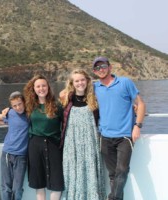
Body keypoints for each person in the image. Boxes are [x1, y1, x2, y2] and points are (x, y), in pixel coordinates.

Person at [92, 57, 146, 200]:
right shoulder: (95, 87)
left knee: (122, 170)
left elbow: (140, 104)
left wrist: (137, 126)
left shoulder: (125, 82)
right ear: (94, 72)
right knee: (113, 174)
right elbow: (67, 93)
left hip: (124, 136)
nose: (101, 70)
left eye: (103, 66)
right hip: (105, 136)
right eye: (97, 68)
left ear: (110, 67)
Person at [59, 69, 106, 200]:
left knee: (90, 169)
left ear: (87, 81)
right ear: (72, 83)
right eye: (77, 81)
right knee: (74, 171)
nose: (80, 83)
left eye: (82, 80)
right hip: (72, 141)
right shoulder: (66, 97)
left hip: (90, 141)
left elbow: (110, 108)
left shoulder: (94, 98)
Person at [23, 75, 64, 200]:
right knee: (39, 183)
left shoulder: (57, 105)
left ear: (48, 87)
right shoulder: (29, 106)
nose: (41, 88)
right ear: (34, 89)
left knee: (57, 182)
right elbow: (15, 109)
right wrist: (5, 113)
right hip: (35, 146)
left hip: (54, 145)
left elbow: (66, 122)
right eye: (38, 86)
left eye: (44, 85)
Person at [0, 91, 29, 200]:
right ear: (11, 106)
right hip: (7, 154)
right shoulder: (10, 113)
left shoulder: (30, 114)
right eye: (14, 105)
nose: (18, 107)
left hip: (21, 156)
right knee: (6, 187)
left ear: (24, 102)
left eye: (20, 104)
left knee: (17, 188)